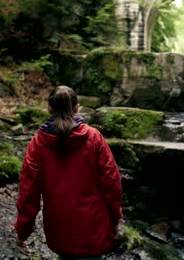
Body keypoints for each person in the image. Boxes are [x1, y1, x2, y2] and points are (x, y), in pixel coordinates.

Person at [14, 85, 123, 260]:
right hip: (93, 226)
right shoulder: (94, 138)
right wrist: (115, 218)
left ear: (49, 108)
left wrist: (23, 230)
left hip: (59, 227)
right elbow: (112, 183)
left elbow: (28, 192)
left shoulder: (38, 143)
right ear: (76, 107)